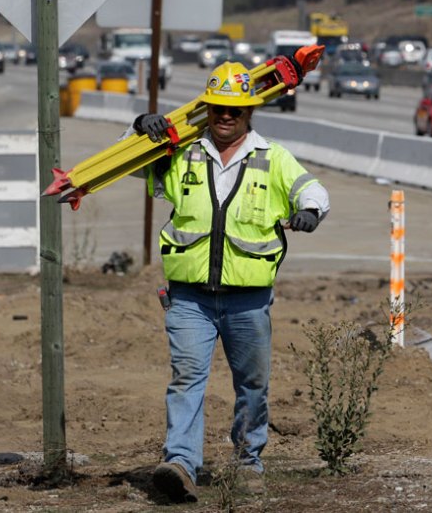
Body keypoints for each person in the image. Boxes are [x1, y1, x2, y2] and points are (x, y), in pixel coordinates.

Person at [130, 61, 330, 503]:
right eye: (218, 108)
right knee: (186, 380)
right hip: (189, 299)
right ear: (207, 108)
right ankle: (180, 464)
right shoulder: (183, 152)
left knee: (252, 385)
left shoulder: (271, 157)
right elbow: (129, 164)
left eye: (234, 110)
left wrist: (310, 212)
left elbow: (312, 189)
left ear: (249, 113)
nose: (225, 116)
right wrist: (141, 128)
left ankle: (247, 462)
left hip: (248, 300)